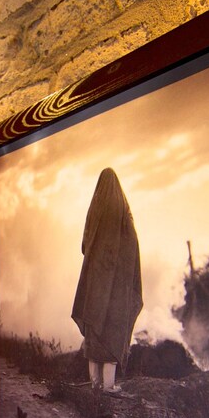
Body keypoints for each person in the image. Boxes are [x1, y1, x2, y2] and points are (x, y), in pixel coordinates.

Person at [71, 167, 143, 392]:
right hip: (117, 288)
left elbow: (84, 245)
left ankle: (95, 385)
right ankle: (109, 386)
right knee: (112, 330)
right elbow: (132, 246)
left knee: (94, 329)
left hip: (95, 285)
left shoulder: (94, 210)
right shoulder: (122, 210)